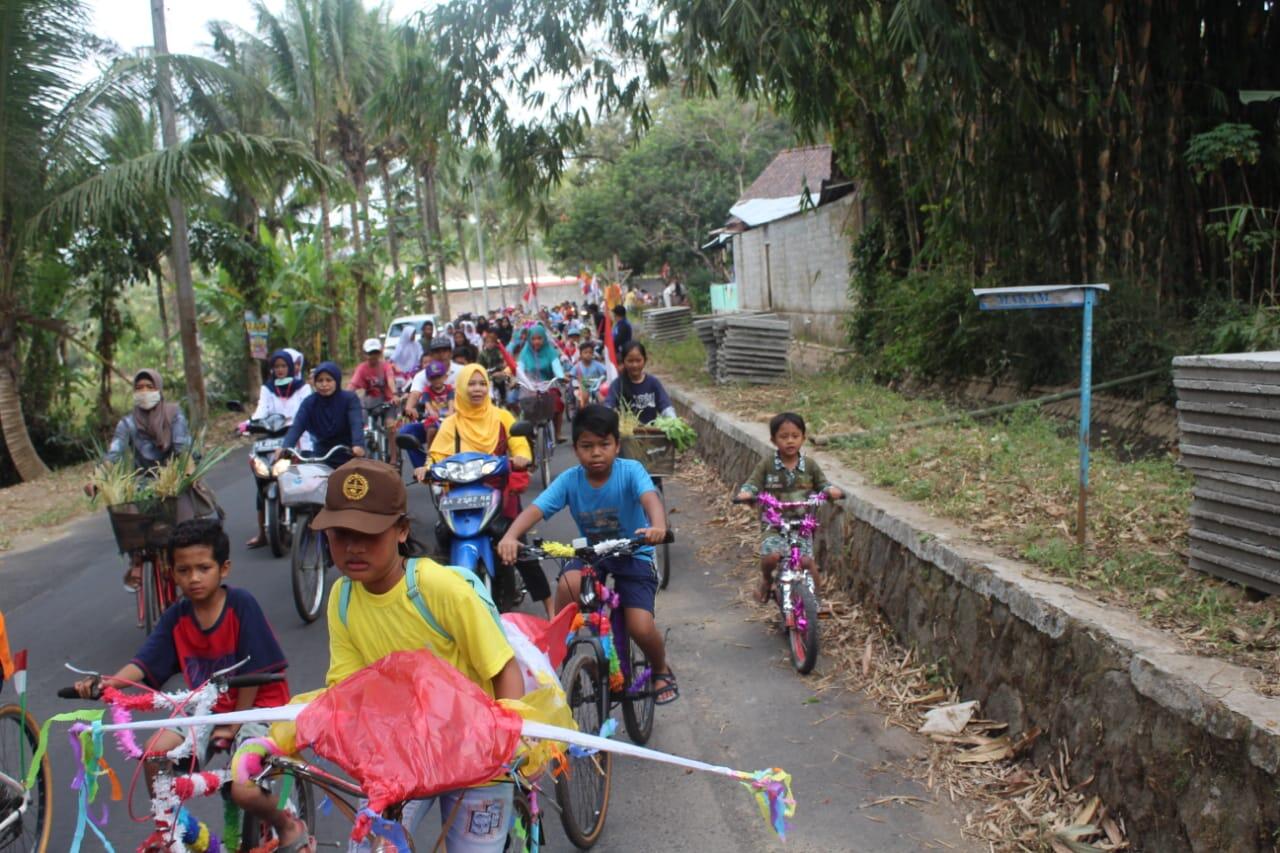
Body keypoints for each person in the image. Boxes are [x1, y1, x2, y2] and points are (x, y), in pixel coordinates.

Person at [248, 458, 524, 851]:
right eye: (340, 534)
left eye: (369, 533)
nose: (353, 547)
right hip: (402, 756)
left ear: (401, 530)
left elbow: (502, 668)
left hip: (475, 751)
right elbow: (346, 690)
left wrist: (507, 749)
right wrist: (281, 738)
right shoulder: (342, 598)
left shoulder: (438, 588)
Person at [72, 519, 296, 837]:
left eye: (203, 568)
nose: (193, 578)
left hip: (256, 707)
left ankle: (288, 825)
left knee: (243, 783)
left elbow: (255, 674)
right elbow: (144, 663)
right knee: (154, 754)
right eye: (183, 570)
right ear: (171, 572)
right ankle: (175, 831)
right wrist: (107, 684)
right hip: (205, 708)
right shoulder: (176, 617)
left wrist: (233, 723)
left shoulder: (241, 606)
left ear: (224, 568)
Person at [498, 405, 676, 704]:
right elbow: (535, 510)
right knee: (568, 585)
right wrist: (510, 536)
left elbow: (650, 499)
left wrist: (658, 526)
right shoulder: (570, 480)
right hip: (591, 553)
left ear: (617, 445)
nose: (596, 453)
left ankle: (660, 669)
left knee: (639, 626)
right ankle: (563, 653)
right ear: (576, 448)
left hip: (633, 553)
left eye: (604, 445)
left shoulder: (630, 471)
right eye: (586, 446)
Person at [422, 365, 552, 618]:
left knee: (519, 545)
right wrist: (425, 469)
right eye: (471, 384)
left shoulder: (502, 417)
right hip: (460, 497)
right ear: (460, 388)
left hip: (499, 495)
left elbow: (519, 445)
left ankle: (550, 607)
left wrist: (522, 457)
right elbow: (436, 455)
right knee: (442, 537)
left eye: (482, 383)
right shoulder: (451, 424)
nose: (477, 389)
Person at [86, 368, 195, 590]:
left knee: (185, 528)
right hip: (141, 482)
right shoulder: (127, 424)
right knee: (126, 512)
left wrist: (187, 472)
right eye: (139, 388)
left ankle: (185, 567)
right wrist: (97, 480)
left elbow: (183, 448)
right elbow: (114, 454)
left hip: (172, 480)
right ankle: (135, 560)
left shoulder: (174, 414)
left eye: (149, 387)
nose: (144, 392)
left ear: (159, 389)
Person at [734, 412, 844, 604]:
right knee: (771, 557)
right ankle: (767, 581)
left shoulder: (810, 466)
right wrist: (747, 493)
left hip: (802, 525)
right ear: (773, 440)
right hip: (774, 525)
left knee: (807, 563)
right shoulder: (767, 465)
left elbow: (823, 485)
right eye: (784, 437)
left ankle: (815, 603)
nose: (790, 441)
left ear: (803, 437)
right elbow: (753, 483)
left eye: (795, 436)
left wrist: (831, 491)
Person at [246, 350, 314, 548]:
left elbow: (305, 409)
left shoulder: (302, 388)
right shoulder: (267, 388)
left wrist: (298, 423)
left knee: (305, 479)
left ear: (291, 367)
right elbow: (262, 409)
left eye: (284, 366)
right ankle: (262, 533)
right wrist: (250, 422)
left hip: (299, 437)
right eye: (277, 367)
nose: (280, 370)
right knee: (262, 478)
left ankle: (310, 524)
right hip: (272, 437)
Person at [275, 362, 365, 467]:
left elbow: (356, 423)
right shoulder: (309, 402)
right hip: (322, 455)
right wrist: (286, 446)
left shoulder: (349, 399)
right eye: (320, 380)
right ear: (315, 383)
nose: (324, 384)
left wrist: (358, 444)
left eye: (329, 380)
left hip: (349, 452)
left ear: (337, 380)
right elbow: (297, 425)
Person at [397, 361, 454, 470]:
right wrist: (432, 412)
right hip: (433, 419)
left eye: (439, 377)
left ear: (445, 377)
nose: (437, 380)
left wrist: (451, 412)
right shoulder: (427, 391)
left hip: (448, 419)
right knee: (431, 429)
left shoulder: (449, 389)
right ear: (428, 380)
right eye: (433, 378)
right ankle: (430, 452)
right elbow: (427, 404)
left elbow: (451, 402)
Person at [516, 323, 567, 443]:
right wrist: (517, 379)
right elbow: (520, 368)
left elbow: (556, 366)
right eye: (533, 339)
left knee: (558, 404)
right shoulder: (525, 353)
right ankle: (529, 433)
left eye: (539, 338)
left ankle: (558, 433)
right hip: (530, 386)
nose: (536, 342)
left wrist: (561, 376)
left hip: (548, 384)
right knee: (526, 408)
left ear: (544, 338)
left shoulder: (550, 352)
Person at [605, 341, 675, 424]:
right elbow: (608, 407)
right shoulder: (617, 384)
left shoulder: (653, 383)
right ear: (623, 362)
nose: (635, 365)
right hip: (626, 434)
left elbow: (665, 406)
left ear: (645, 360)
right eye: (630, 361)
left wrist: (673, 422)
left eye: (638, 360)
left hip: (652, 433)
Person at [571, 341, 609, 409]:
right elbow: (571, 375)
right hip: (582, 388)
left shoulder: (597, 364)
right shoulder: (577, 366)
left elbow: (606, 371)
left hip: (596, 386)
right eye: (585, 352)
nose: (588, 354)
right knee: (583, 398)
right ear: (581, 354)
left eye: (590, 352)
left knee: (602, 398)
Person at [390, 326, 423, 390]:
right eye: (412, 334)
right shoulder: (401, 345)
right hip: (401, 373)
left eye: (414, 334)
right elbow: (393, 359)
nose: (414, 336)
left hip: (414, 371)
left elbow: (420, 355)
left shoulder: (417, 344)